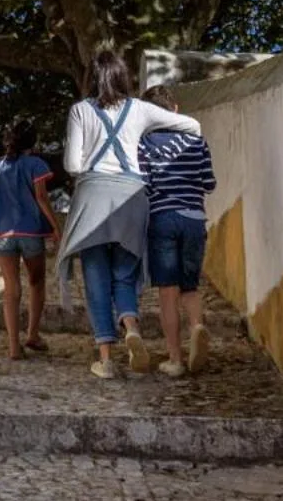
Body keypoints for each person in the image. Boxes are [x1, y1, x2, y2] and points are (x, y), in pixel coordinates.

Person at [56, 50, 202, 379]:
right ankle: (131, 328)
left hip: (93, 196)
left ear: (91, 79)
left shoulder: (80, 110)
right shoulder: (140, 109)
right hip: (131, 197)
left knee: (96, 278)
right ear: (123, 76)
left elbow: (73, 165)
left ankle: (106, 360)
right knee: (125, 274)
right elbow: (192, 125)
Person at [139, 86, 217, 377]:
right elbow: (209, 183)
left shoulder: (145, 145)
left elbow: (145, 186)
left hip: (162, 220)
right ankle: (197, 326)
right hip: (194, 218)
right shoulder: (197, 142)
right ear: (174, 108)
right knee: (190, 287)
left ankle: (175, 358)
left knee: (167, 292)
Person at [0, 120, 56, 360]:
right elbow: (42, 198)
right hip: (32, 232)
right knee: (36, 283)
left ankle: (13, 346)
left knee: (11, 288)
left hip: (4, 235)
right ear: (32, 142)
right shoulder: (36, 165)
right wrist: (56, 227)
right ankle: (32, 334)